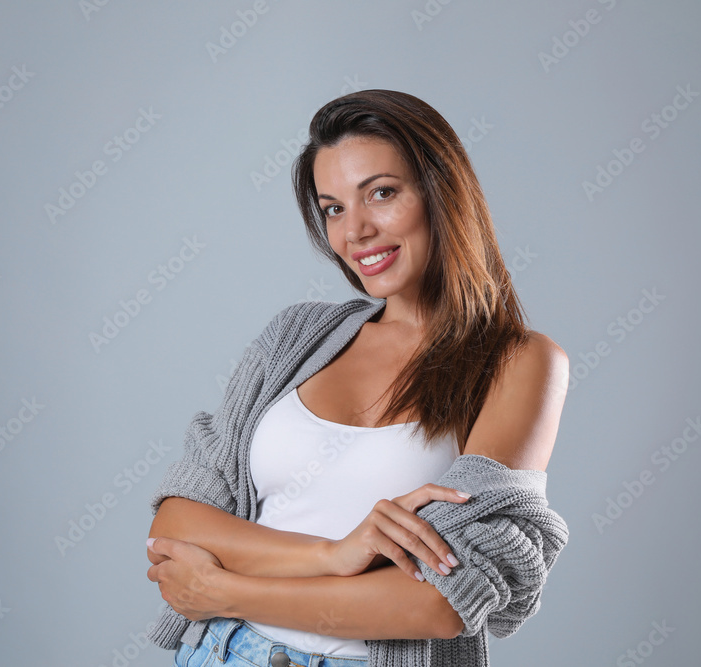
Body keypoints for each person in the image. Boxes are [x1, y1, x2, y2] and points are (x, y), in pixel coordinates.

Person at [144, 89, 571, 667]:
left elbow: (441, 603)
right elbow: (179, 519)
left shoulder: (518, 362)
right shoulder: (297, 337)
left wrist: (224, 590)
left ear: (442, 193)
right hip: (226, 652)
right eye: (334, 208)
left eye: (382, 193)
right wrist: (334, 554)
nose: (356, 231)